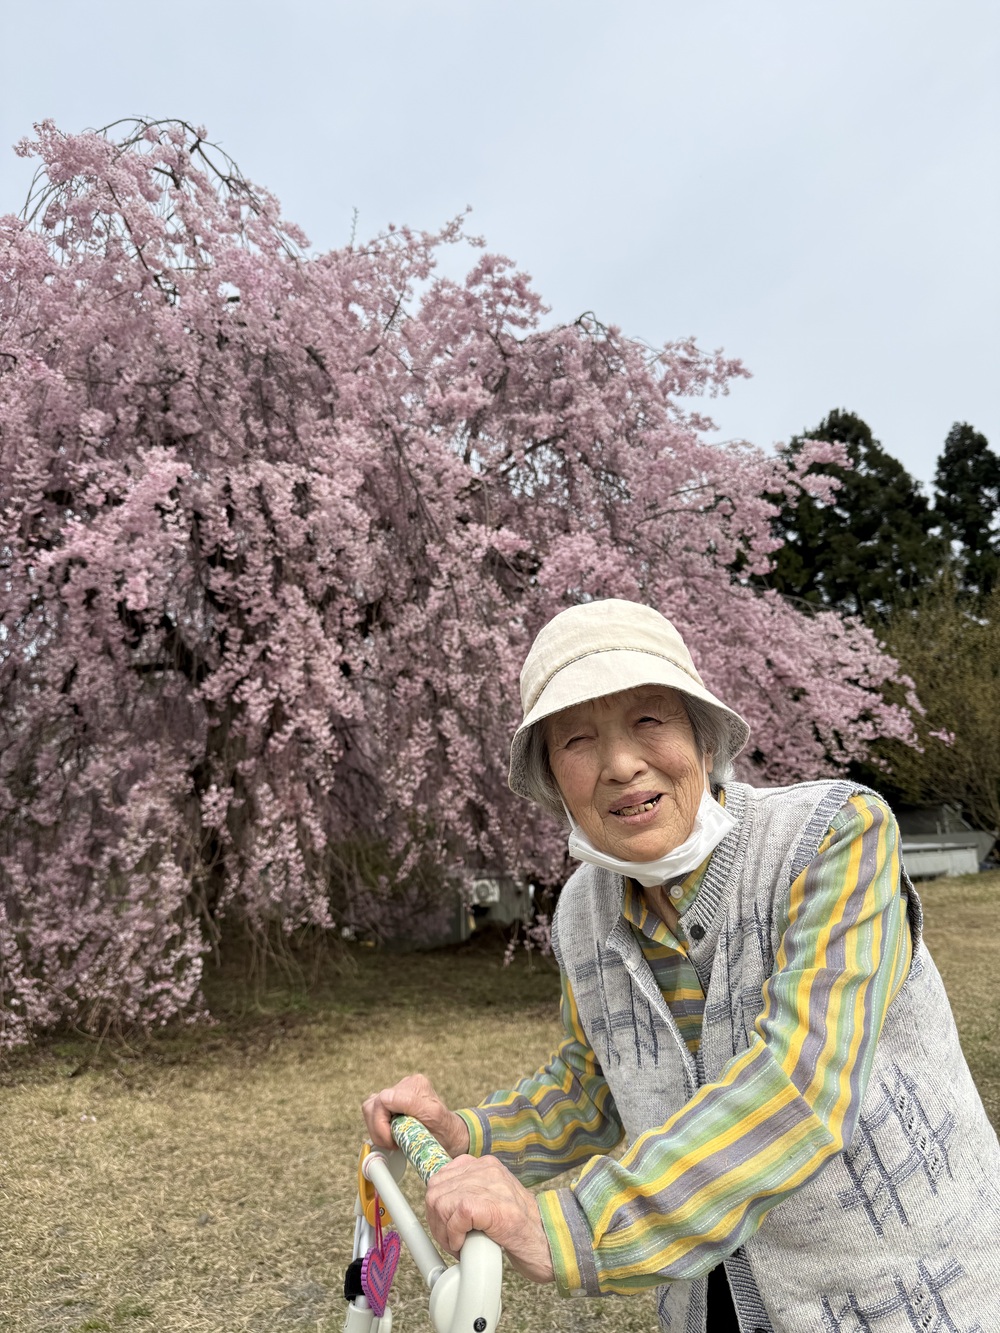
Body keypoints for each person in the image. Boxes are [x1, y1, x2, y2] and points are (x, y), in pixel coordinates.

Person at [363, 599, 1000, 1331]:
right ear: (551, 778)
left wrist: (567, 1226)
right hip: (708, 1302)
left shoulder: (833, 837)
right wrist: (464, 1135)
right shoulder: (582, 909)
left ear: (703, 735)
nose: (620, 764)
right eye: (577, 739)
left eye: (648, 720)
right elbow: (597, 1084)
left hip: (907, 1300)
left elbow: (801, 1086)